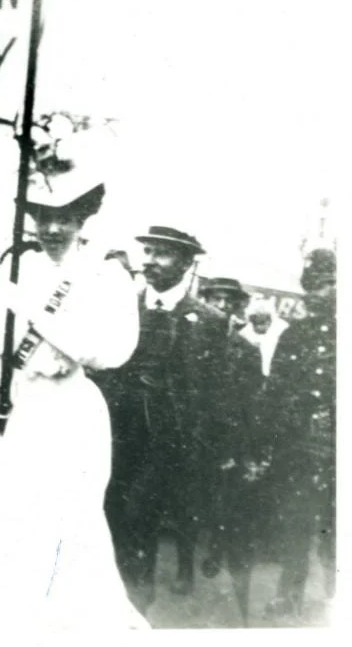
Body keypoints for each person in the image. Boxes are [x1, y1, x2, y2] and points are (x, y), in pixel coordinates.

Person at [0, 127, 148, 632]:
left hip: (68, 413)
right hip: (14, 408)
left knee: (57, 522)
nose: (52, 229)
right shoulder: (20, 265)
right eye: (43, 217)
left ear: (83, 218)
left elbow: (109, 352)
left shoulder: (105, 275)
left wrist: (38, 315)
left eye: (63, 218)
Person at [98, 225, 228, 609]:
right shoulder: (123, 306)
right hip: (113, 435)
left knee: (140, 521)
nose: (150, 261)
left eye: (162, 253)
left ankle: (136, 610)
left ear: (187, 263)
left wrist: (198, 451)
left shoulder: (208, 320)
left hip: (166, 445)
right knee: (107, 520)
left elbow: (212, 394)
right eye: (148, 252)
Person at [260, 249, 336, 620]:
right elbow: (275, 390)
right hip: (303, 447)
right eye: (313, 286)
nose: (318, 294)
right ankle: (289, 596)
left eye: (327, 285)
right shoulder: (295, 335)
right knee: (297, 522)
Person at [197, 277, 266, 624]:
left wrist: (248, 446)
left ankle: (217, 549)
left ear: (238, 307)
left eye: (229, 302)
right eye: (215, 299)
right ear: (205, 300)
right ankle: (188, 557)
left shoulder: (246, 348)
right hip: (193, 428)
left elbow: (253, 399)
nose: (222, 307)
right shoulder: (191, 336)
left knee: (226, 496)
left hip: (229, 433)